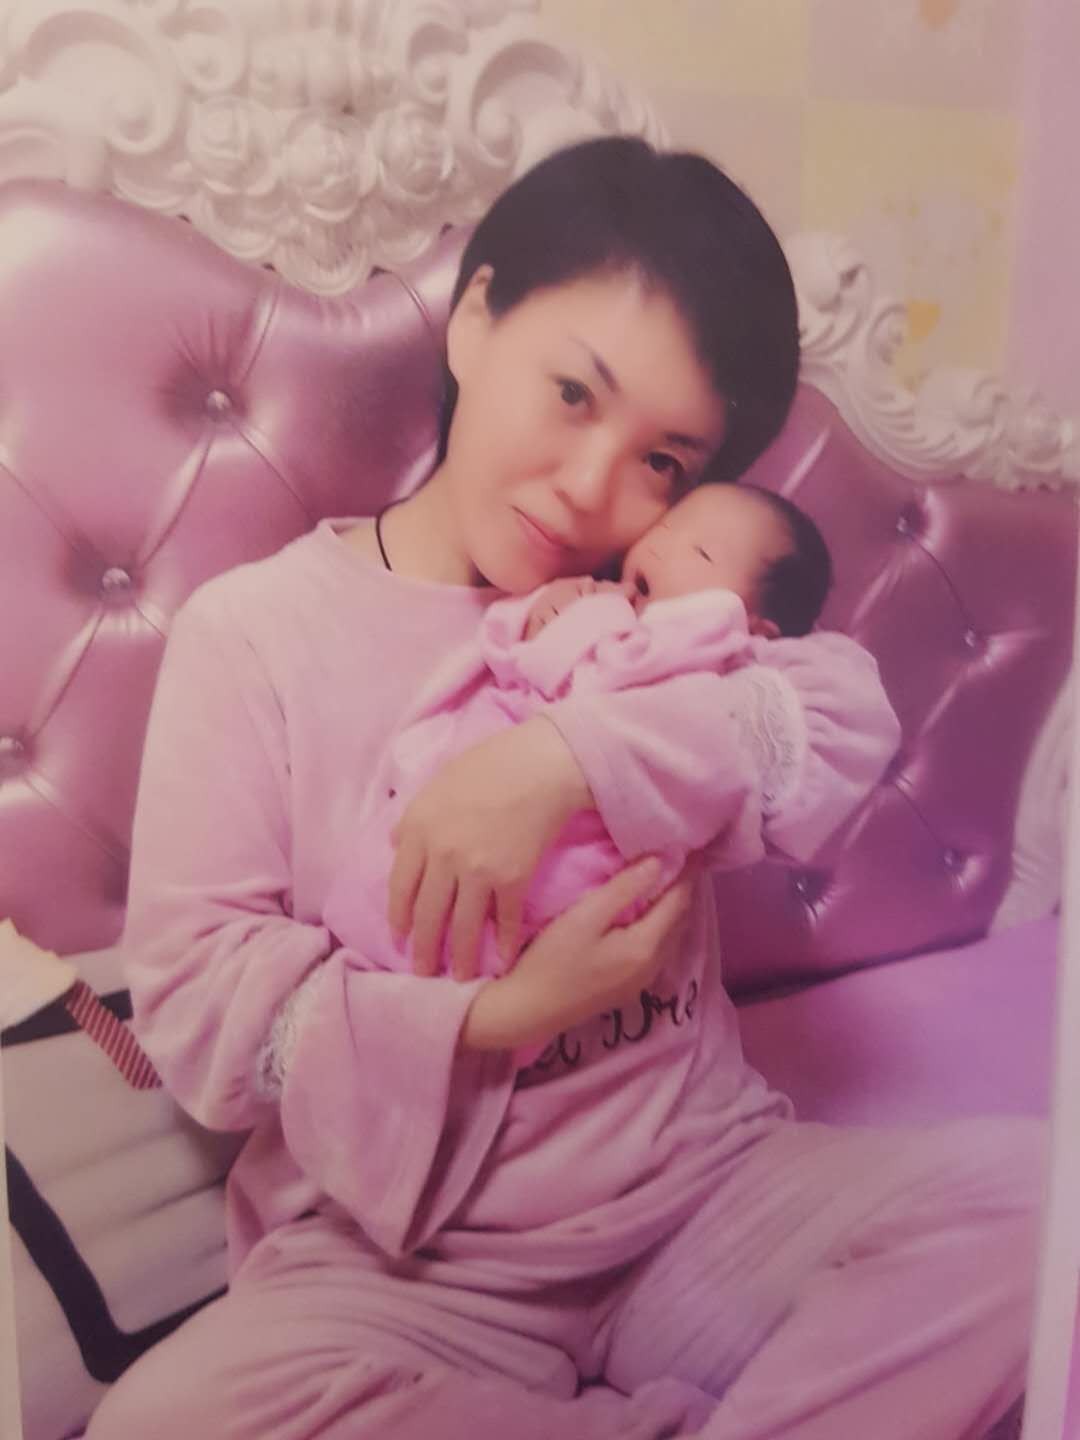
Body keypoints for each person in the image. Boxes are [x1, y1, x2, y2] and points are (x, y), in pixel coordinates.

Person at [87, 138, 1042, 1440]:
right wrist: (499, 1015)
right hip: (408, 1261)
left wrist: (562, 761)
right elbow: (203, 1011)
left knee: (1040, 1211)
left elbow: (836, 716)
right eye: (574, 393)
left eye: (664, 462)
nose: (592, 489)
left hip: (701, 1192)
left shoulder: (661, 609)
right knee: (170, 1423)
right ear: (478, 320)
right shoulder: (257, 633)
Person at [324, 482, 837, 995]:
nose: (661, 546)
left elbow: (613, 681)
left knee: (502, 914)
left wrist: (589, 624)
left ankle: (434, 976)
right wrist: (538, 617)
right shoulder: (599, 597)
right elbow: (507, 658)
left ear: (755, 627)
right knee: (403, 870)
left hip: (590, 844)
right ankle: (387, 956)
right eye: (666, 528)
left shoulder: (709, 656)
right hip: (479, 784)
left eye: (701, 552)